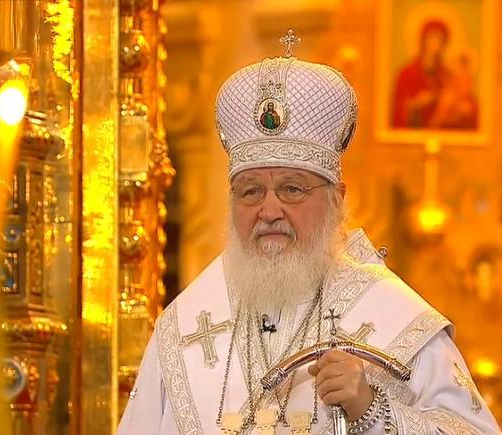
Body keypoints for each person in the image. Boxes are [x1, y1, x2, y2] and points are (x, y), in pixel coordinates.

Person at [118, 32, 500, 434]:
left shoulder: (394, 317)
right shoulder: (184, 327)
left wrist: (371, 409)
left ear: (337, 199)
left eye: (292, 189)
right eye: (251, 192)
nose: (269, 211)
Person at [391, 19, 478, 130]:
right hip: (416, 133)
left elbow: (465, 100)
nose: (436, 43)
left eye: (440, 39)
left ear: (445, 43)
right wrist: (415, 104)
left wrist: (465, 109)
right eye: (431, 38)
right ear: (423, 40)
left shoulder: (447, 74)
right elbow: (397, 110)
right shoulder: (406, 73)